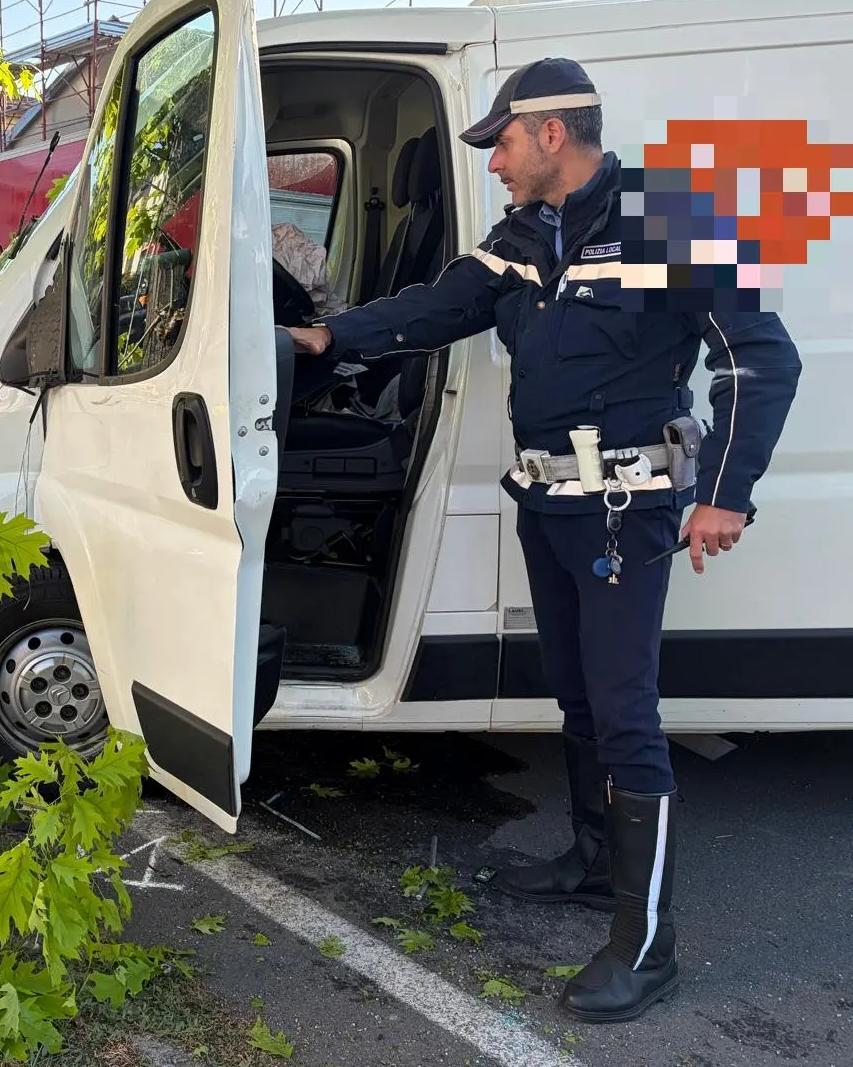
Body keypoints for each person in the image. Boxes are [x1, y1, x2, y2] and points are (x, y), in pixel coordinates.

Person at [284, 58, 801, 1024]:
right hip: (547, 506)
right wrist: (328, 339)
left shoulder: (670, 217)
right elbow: (435, 308)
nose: (494, 164)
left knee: (626, 715)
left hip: (626, 516)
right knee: (575, 696)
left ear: (552, 133)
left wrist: (726, 496)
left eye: (504, 144)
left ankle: (647, 948)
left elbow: (761, 360)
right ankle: (593, 863)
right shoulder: (524, 239)